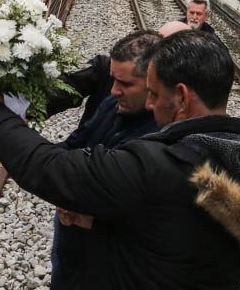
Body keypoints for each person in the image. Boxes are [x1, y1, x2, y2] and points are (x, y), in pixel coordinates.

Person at [0, 31, 240, 289]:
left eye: (154, 94)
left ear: (182, 97)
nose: (150, 105)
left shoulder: (162, 166)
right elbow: (181, 238)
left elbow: (50, 169)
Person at [50, 30, 163, 290]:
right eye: (113, 80)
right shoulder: (112, 105)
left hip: (108, 253)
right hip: (72, 229)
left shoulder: (160, 137)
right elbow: (75, 142)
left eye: (125, 84)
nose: (114, 91)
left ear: (155, 84)